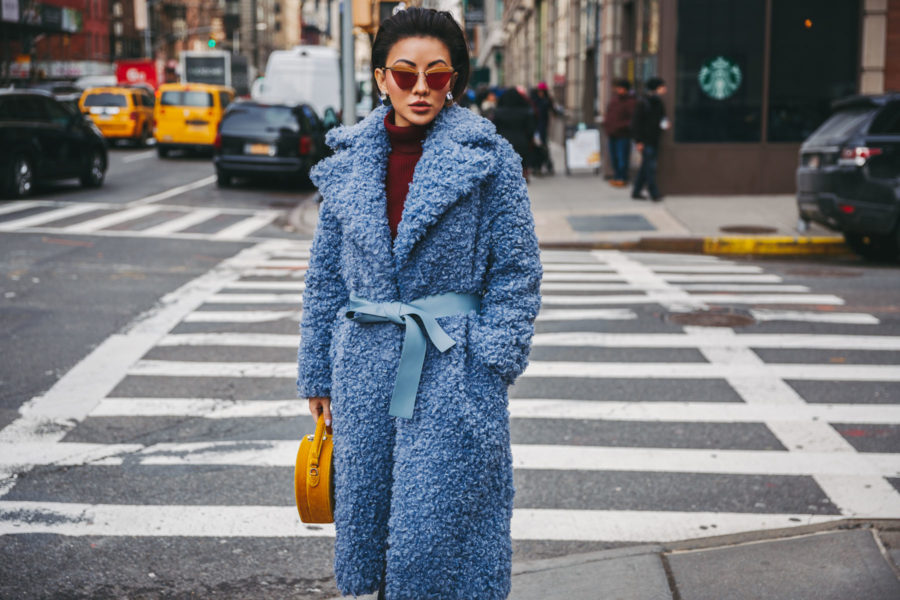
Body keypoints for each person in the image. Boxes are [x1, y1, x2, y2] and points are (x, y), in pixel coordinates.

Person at [298, 7, 542, 600]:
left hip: (451, 365)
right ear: (381, 77)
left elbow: (518, 270)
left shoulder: (489, 158)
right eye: (405, 74)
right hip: (363, 369)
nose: (422, 88)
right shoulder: (350, 161)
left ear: (455, 77)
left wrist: (488, 361)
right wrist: (318, 370)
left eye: (438, 74)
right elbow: (326, 275)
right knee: (372, 526)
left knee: (442, 537)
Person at [631, 76, 668, 201]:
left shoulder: (659, 102)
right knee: (650, 167)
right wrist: (638, 141)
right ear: (657, 88)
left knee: (646, 167)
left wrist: (665, 124)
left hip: (654, 139)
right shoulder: (643, 102)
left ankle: (636, 191)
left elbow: (662, 118)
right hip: (646, 140)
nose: (665, 89)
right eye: (662, 87)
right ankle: (654, 193)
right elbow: (636, 123)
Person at [492, 86, 537, 180]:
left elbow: (494, 129)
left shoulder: (498, 112)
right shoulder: (526, 112)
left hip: (504, 143)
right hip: (522, 142)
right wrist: (530, 140)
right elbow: (530, 129)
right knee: (522, 164)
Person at [603, 78, 636, 187]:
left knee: (622, 158)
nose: (618, 90)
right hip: (612, 133)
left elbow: (632, 119)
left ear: (626, 89)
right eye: (618, 88)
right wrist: (607, 125)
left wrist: (620, 126)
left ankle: (623, 178)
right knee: (614, 158)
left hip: (623, 134)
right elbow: (609, 113)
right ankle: (617, 176)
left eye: (621, 88)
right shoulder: (614, 100)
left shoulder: (630, 102)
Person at [530, 81, 560, 175]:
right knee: (536, 147)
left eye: (542, 91)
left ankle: (547, 166)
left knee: (544, 147)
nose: (540, 93)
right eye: (539, 91)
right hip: (535, 127)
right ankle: (536, 167)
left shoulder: (547, 101)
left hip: (543, 127)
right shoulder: (534, 101)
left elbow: (554, 112)